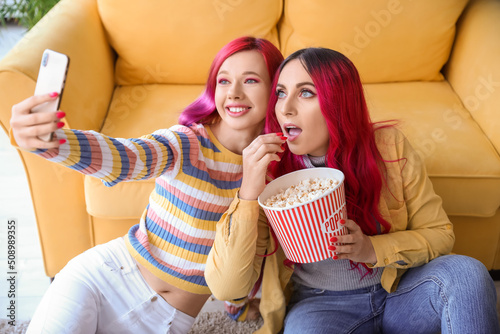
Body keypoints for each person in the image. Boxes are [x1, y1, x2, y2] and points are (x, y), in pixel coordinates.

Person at [205, 48, 500, 334]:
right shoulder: (269, 171)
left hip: (399, 290)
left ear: (339, 101)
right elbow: (228, 288)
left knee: (467, 273)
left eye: (306, 92)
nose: (285, 108)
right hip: (321, 305)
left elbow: (440, 234)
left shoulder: (388, 147)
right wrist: (247, 195)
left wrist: (372, 249)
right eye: (280, 92)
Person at [10, 36, 284, 334]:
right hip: (104, 277)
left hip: (167, 321)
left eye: (251, 80)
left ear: (275, 90)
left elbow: (240, 257)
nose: (233, 93)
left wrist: (237, 304)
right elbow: (126, 157)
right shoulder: (186, 142)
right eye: (223, 80)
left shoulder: (272, 176)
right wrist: (55, 143)